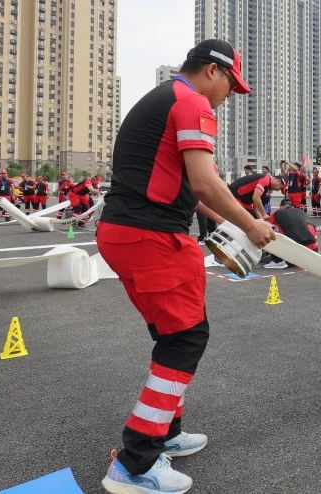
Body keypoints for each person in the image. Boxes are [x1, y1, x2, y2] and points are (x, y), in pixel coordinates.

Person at [97, 39, 275, 493]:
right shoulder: (192, 102)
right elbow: (205, 181)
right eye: (231, 85)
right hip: (151, 237)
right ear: (212, 71)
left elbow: (190, 191)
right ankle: (135, 464)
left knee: (173, 336)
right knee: (185, 339)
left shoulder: (164, 98)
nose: (229, 96)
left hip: (126, 233)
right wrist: (252, 225)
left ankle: (167, 434)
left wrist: (232, 222)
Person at [265, 199, 319, 268]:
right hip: (313, 251)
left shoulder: (277, 213)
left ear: (281, 207)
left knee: (272, 233)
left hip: (294, 253)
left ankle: (277, 261)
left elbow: (268, 226)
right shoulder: (300, 212)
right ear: (292, 207)